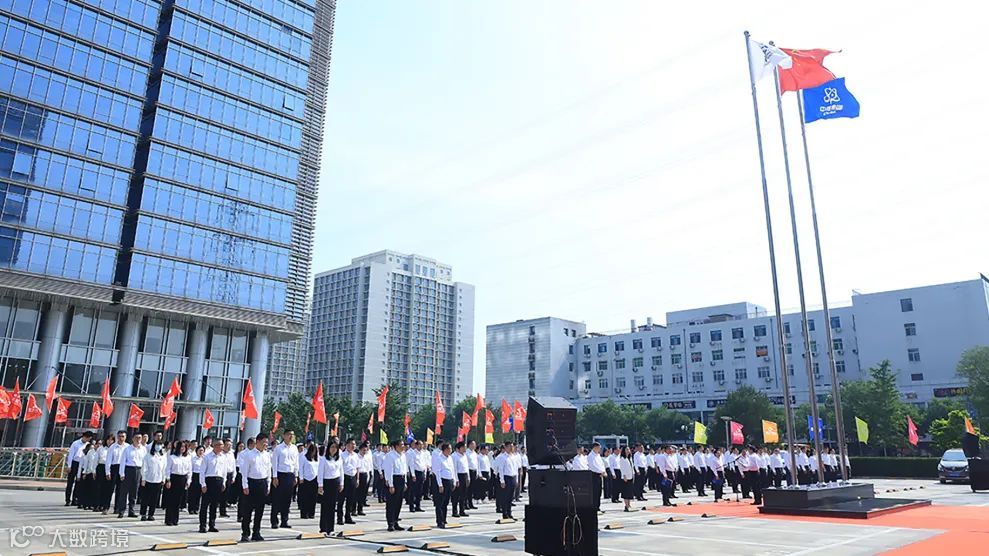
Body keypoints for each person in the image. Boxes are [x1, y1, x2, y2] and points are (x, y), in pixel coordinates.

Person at [240, 433, 272, 542]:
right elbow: (244, 472)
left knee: (260, 510)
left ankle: (256, 532)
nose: (265, 444)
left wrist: (268, 484)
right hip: (251, 482)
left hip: (262, 483)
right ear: (257, 442)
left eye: (266, 442)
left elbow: (268, 471)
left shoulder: (267, 455)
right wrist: (245, 485)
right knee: (247, 510)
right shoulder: (249, 455)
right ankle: (245, 533)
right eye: (264, 442)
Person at [200, 441, 230, 533]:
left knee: (214, 505)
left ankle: (212, 525)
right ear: (215, 446)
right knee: (205, 505)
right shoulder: (207, 457)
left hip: (219, 481)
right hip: (209, 481)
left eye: (222, 445)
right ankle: (202, 526)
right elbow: (202, 472)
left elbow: (224, 472)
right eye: (220, 445)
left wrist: (224, 482)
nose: (222, 447)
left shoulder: (223, 457)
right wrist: (203, 484)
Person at [270, 430, 298, 529]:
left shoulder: (294, 448)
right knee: (277, 499)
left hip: (290, 474)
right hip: (280, 475)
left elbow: (296, 463)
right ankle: (274, 521)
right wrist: (274, 477)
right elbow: (274, 463)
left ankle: (284, 520)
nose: (290, 436)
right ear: (284, 436)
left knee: (287, 499)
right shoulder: (278, 448)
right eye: (289, 434)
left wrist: (296, 475)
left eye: (292, 435)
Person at [318, 441, 344, 535]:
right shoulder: (324, 459)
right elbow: (320, 472)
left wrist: (341, 483)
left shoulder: (339, 459)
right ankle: (323, 528)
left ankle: (330, 528)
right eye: (332, 447)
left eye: (335, 447)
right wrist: (320, 485)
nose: (333, 449)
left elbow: (341, 471)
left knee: (332, 506)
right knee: (325, 506)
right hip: (326, 482)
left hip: (335, 482)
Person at [163, 442, 191, 526]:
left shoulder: (187, 458)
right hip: (174, 478)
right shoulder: (172, 457)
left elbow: (189, 471)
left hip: (183, 479)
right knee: (171, 499)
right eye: (181, 447)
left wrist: (188, 481)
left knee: (178, 500)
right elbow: (168, 469)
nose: (183, 448)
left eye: (184, 447)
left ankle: (175, 519)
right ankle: (169, 519)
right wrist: (168, 480)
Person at [117, 434, 145, 518]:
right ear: (132, 439)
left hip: (138, 470)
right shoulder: (127, 449)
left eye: (139, 438)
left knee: (134, 492)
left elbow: (145, 463)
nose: (138, 439)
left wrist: (144, 475)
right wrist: (122, 473)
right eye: (136, 438)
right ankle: (121, 511)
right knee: (124, 492)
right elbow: (122, 462)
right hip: (128, 469)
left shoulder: (143, 449)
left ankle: (131, 511)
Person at [383, 439, 408, 531]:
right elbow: (388, 471)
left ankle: (396, 521)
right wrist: (391, 484)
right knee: (391, 503)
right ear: (396, 446)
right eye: (401, 445)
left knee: (398, 502)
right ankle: (390, 523)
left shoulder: (403, 455)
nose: (403, 446)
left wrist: (405, 482)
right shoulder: (390, 455)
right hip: (394, 479)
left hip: (401, 479)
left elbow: (404, 469)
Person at [65, 431, 93, 507]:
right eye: (87, 438)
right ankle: (67, 500)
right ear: (84, 436)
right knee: (70, 482)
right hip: (74, 463)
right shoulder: (75, 443)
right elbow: (71, 455)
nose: (88, 440)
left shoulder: (88, 445)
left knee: (79, 483)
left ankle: (75, 499)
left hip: (82, 464)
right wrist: (69, 466)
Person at [140, 442, 167, 521]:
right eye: (157, 445)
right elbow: (144, 468)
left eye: (160, 445)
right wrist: (143, 479)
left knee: (154, 499)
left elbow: (164, 469)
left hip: (158, 480)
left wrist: (163, 479)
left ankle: (151, 514)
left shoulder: (163, 456)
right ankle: (143, 514)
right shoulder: (148, 456)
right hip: (148, 479)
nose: (158, 447)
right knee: (145, 498)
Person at [432, 442, 456, 528]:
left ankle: (444, 519)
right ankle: (439, 521)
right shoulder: (439, 458)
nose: (450, 450)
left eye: (451, 449)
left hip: (449, 481)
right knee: (440, 503)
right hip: (442, 481)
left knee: (446, 502)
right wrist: (440, 485)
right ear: (444, 450)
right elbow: (437, 472)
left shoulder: (450, 458)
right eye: (449, 449)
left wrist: (454, 481)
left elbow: (452, 470)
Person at [495, 441, 520, 520]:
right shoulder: (502, 457)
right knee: (505, 497)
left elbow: (516, 469)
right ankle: (505, 513)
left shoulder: (513, 456)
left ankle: (509, 513)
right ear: (505, 447)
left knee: (510, 497)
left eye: (512, 446)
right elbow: (501, 469)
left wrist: (516, 479)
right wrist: (502, 481)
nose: (511, 448)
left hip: (513, 477)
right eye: (509, 446)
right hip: (506, 478)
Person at [338, 439, 359, 525]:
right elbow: (339, 468)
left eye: (354, 444)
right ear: (347, 445)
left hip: (353, 477)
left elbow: (357, 468)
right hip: (344, 477)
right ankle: (339, 518)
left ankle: (348, 516)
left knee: (351, 499)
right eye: (351, 444)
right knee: (341, 499)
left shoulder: (356, 455)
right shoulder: (342, 455)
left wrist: (357, 479)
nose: (353, 446)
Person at [107, 431, 128, 515]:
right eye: (119, 436)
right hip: (114, 468)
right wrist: (107, 472)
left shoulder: (128, 447)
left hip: (123, 468)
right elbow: (108, 460)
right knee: (110, 489)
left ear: (125, 437)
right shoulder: (112, 447)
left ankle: (117, 508)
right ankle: (106, 507)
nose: (121, 438)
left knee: (120, 489)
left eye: (123, 436)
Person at [298, 443, 319, 519]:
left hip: (314, 479)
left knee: (313, 497)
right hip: (306, 480)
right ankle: (304, 513)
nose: (314, 452)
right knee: (305, 497)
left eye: (315, 450)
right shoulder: (304, 457)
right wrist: (301, 478)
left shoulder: (317, 459)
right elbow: (301, 468)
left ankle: (311, 513)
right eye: (313, 450)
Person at [78, 440, 98, 510]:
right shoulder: (90, 452)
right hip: (89, 472)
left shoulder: (100, 452)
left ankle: (92, 504)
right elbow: (86, 463)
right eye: (97, 444)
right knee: (87, 489)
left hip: (96, 473)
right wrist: (84, 472)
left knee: (94, 490)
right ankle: (85, 504)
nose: (97, 445)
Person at [451, 442, 470, 518]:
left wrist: (468, 478)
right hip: (458, 476)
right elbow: (454, 469)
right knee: (456, 495)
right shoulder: (454, 456)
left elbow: (467, 467)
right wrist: (456, 479)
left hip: (464, 475)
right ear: (458, 448)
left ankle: (462, 510)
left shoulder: (465, 456)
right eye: (463, 447)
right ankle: (454, 511)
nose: (465, 449)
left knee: (463, 494)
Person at [587, 442, 606, 512]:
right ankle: (594, 507)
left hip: (600, 474)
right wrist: (601, 472)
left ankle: (598, 507)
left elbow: (602, 464)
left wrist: (603, 471)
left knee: (599, 492)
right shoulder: (590, 456)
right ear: (595, 447)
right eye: (599, 448)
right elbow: (593, 467)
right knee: (595, 492)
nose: (600, 449)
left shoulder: (598, 455)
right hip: (594, 475)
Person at [188, 446, 205, 514]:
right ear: (196, 451)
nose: (201, 452)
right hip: (194, 475)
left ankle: (196, 508)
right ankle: (191, 508)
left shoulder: (204, 459)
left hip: (201, 476)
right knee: (193, 493)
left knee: (199, 493)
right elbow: (190, 468)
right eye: (199, 450)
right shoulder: (193, 459)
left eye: (202, 450)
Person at [618, 446, 635, 511]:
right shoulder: (622, 458)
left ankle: (629, 504)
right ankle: (626, 505)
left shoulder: (629, 458)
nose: (628, 450)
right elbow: (622, 468)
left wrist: (633, 474)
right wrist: (624, 476)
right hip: (625, 477)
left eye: (629, 449)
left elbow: (632, 467)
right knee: (625, 492)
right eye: (627, 449)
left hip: (631, 476)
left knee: (629, 492)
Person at [357, 443, 373, 515]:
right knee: (356, 493)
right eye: (363, 450)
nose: (364, 452)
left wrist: (368, 476)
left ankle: (360, 509)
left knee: (362, 493)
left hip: (365, 475)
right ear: (360, 450)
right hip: (358, 475)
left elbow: (368, 468)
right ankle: (353, 509)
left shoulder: (367, 457)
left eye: (366, 450)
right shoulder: (356, 457)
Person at [465, 440, 479, 510]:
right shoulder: (466, 453)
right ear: (469, 445)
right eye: (473, 444)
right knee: (467, 488)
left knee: (472, 489)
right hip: (468, 471)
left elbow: (477, 464)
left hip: (474, 471)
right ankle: (465, 503)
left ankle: (470, 503)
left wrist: (477, 472)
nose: (474, 445)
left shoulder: (475, 453)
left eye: (474, 444)